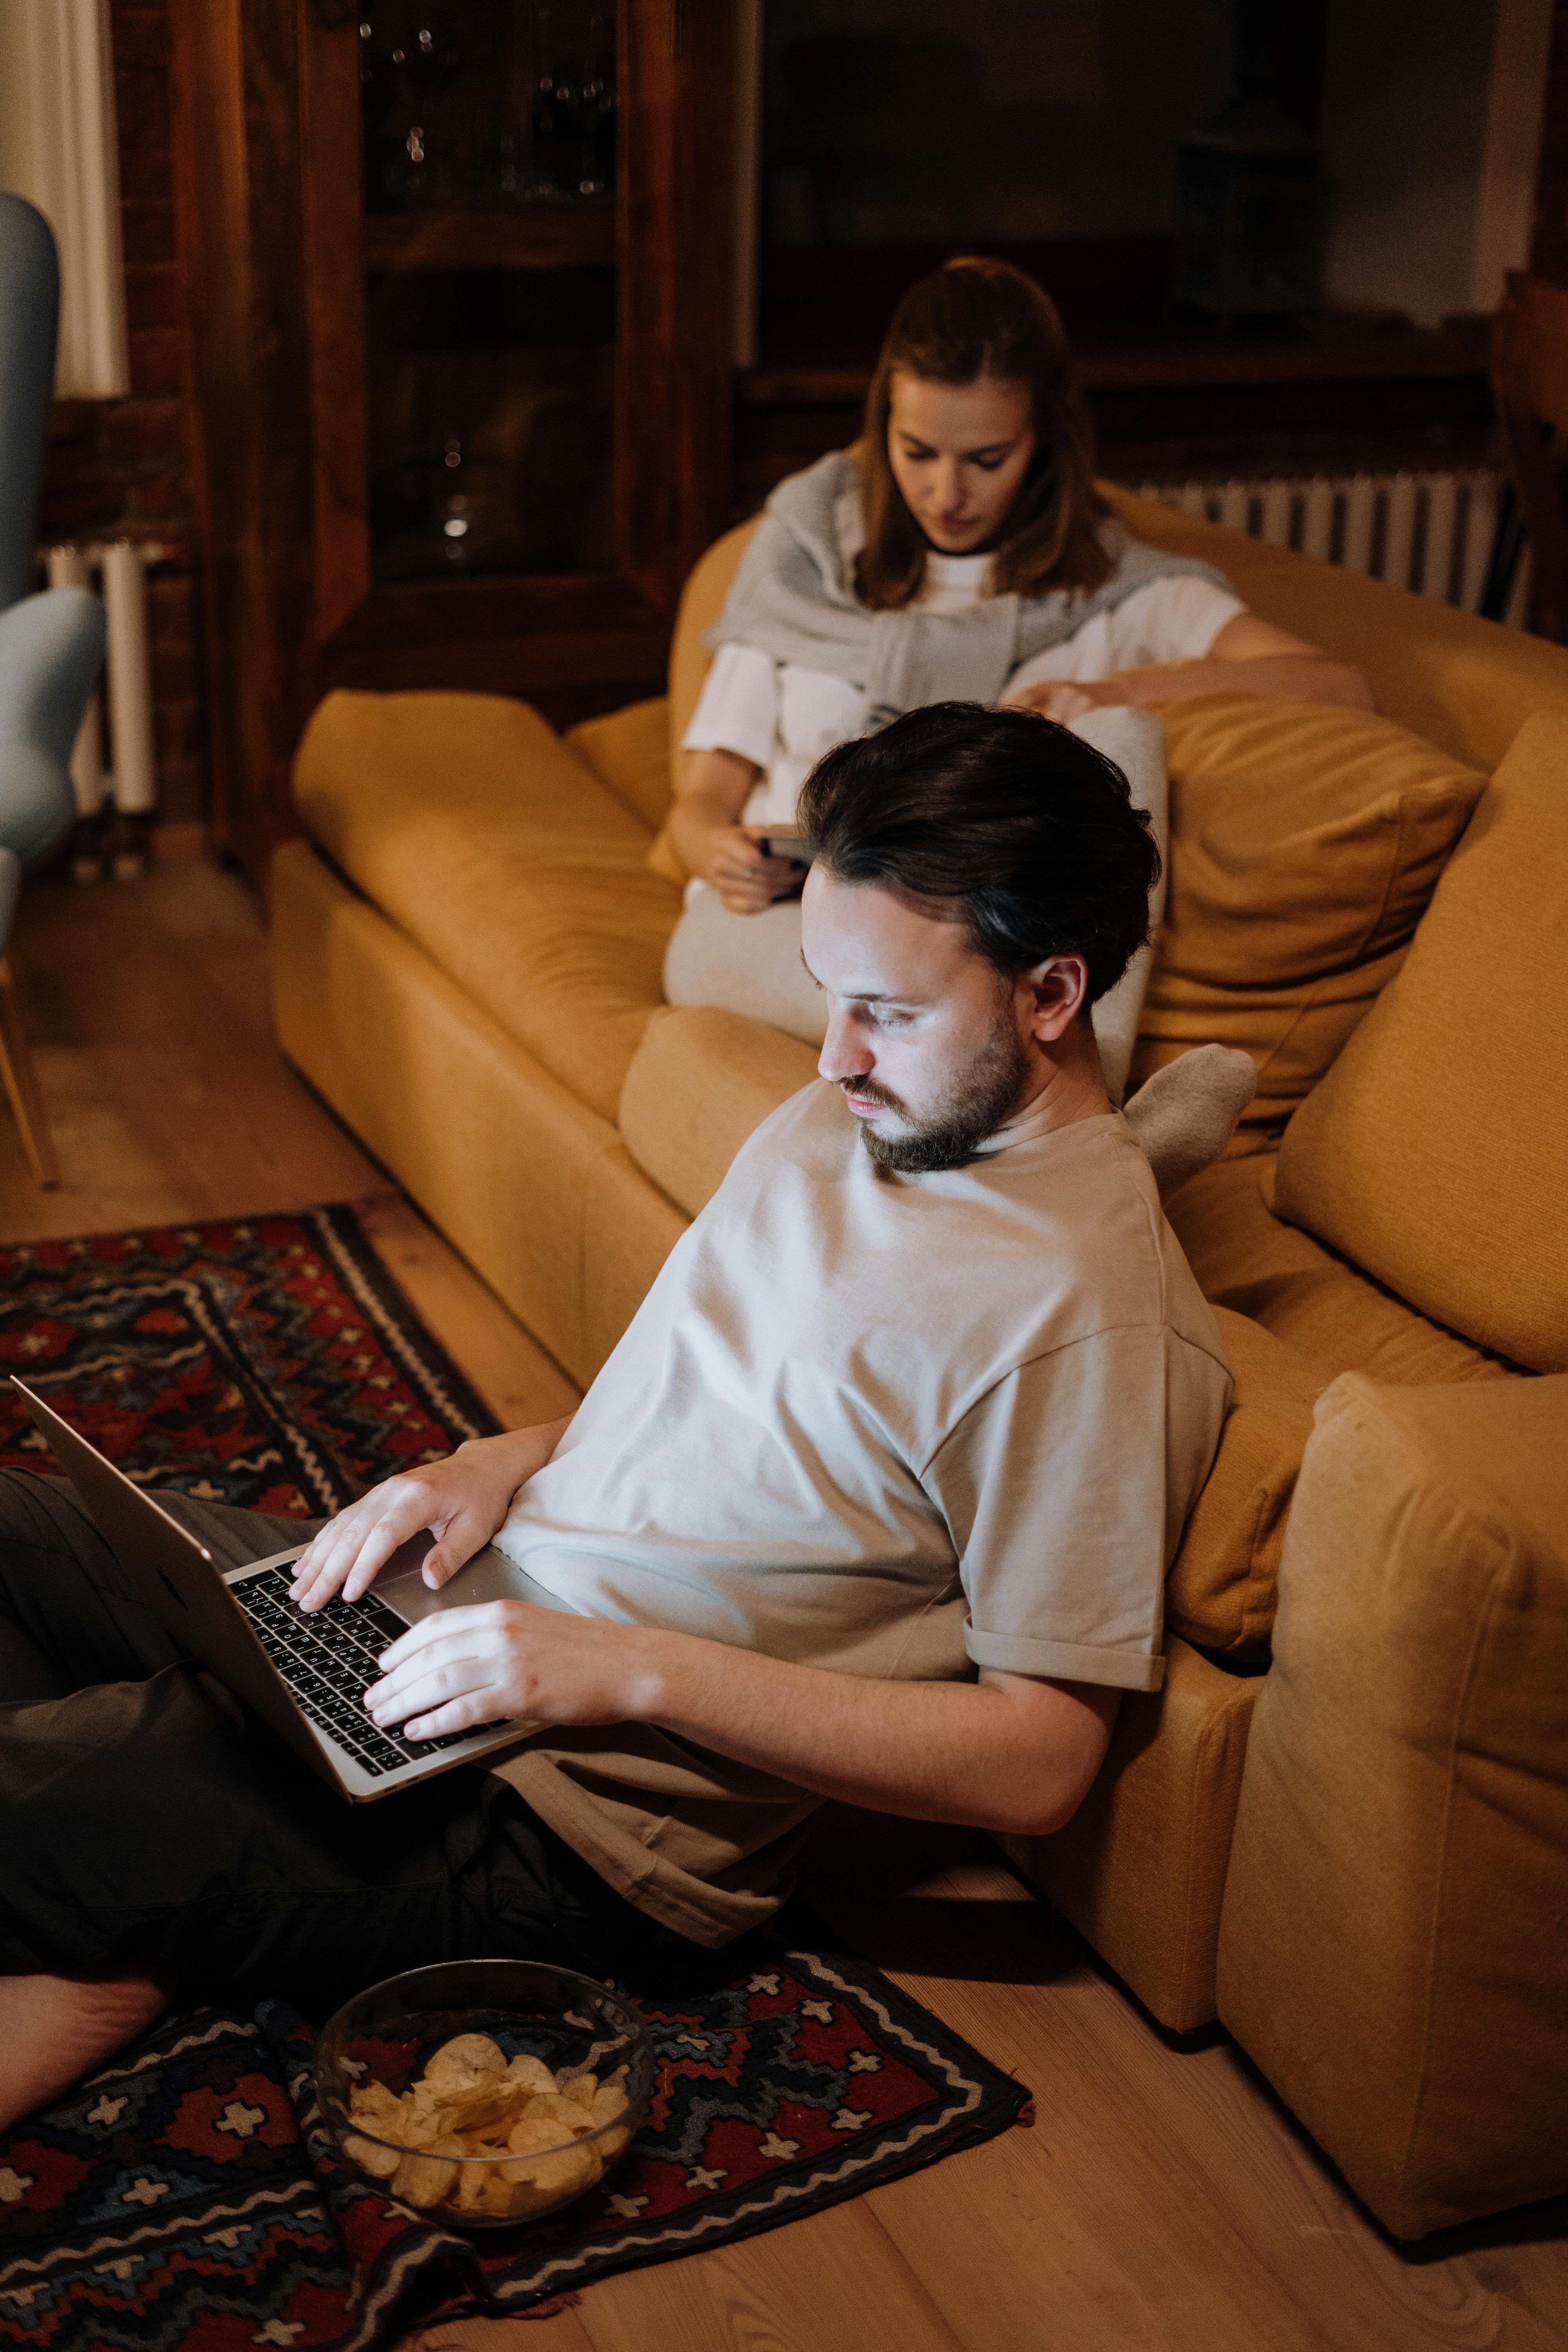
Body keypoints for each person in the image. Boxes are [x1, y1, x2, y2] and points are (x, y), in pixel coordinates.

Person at [0, 705, 1233, 2132]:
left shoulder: (1083, 1320)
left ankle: (108, 1900)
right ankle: (121, 1919)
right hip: (463, 1622)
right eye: (826, 991)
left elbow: (1041, 1759)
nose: (833, 1056)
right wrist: (491, 1467)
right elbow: (704, 1407)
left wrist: (623, 1673)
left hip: (564, 1825)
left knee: (79, 1782)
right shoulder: (861, 1116)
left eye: (886, 1012)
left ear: (1052, 991)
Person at [662, 256, 1371, 1084]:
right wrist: (719, 851)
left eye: (985, 459)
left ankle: (1026, 1089)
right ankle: (1068, 1107)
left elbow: (1336, 686)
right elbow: (697, 808)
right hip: (782, 937)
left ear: (1044, 441)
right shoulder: (809, 565)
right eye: (915, 450)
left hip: (985, 967)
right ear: (881, 421)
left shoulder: (1115, 593)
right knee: (943, 1007)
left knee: (1115, 741)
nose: (944, 492)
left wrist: (1110, 693)